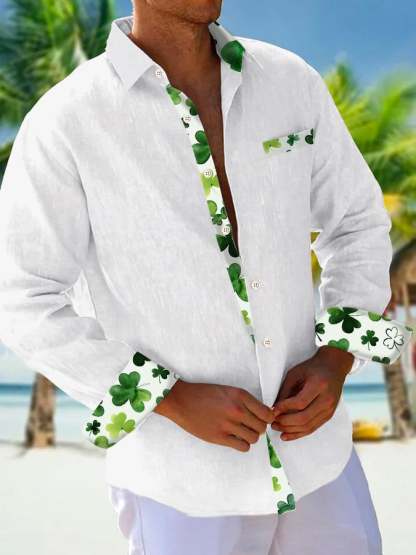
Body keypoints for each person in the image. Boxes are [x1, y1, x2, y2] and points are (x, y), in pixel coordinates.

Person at [0, 1, 412, 554]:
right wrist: (169, 398)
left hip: (320, 463)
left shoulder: (289, 81)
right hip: (181, 488)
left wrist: (336, 358)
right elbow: (21, 297)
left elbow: (357, 221)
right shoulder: (68, 120)